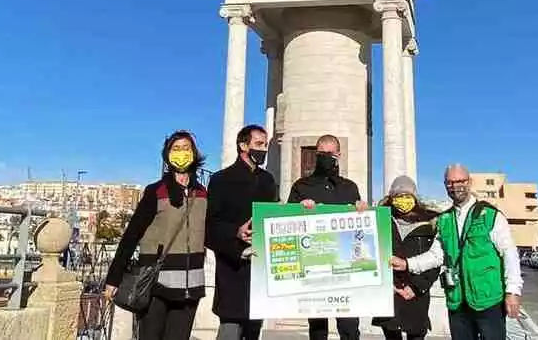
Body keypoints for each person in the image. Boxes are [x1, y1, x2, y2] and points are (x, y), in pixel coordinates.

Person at [391, 164, 522, 340]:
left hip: (488, 300)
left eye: (460, 181)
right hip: (457, 302)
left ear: (469, 182)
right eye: (450, 183)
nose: (455, 186)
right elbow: (436, 256)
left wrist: (512, 292)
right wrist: (406, 264)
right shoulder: (445, 219)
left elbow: (509, 254)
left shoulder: (490, 215)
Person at [104, 131, 209, 340]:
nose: (181, 153)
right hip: (155, 284)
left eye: (186, 148)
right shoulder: (156, 191)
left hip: (191, 285)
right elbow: (132, 234)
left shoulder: (202, 193)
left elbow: (211, 232)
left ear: (195, 153)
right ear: (167, 154)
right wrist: (113, 278)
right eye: (176, 148)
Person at [286, 134, 369, 340]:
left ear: (338, 155)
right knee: (317, 328)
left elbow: (361, 230)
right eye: (321, 153)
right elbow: (285, 224)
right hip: (315, 267)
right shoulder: (301, 186)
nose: (325, 157)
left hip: (345, 268)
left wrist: (363, 212)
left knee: (350, 327)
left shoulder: (350, 187)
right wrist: (300, 209)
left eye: (330, 153)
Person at [205, 125, 279, 340]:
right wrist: (235, 234)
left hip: (260, 270)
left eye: (265, 145)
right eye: (258, 144)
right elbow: (210, 226)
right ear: (243, 145)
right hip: (232, 269)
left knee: (253, 331)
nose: (263, 149)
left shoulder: (268, 180)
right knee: (230, 329)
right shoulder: (221, 179)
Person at [372, 176, 439, 340]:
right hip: (390, 293)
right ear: (391, 198)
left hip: (417, 295)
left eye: (407, 195)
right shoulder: (380, 220)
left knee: (416, 334)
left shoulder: (430, 223)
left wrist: (416, 287)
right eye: (398, 196)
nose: (403, 200)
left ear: (415, 197)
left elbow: (436, 260)